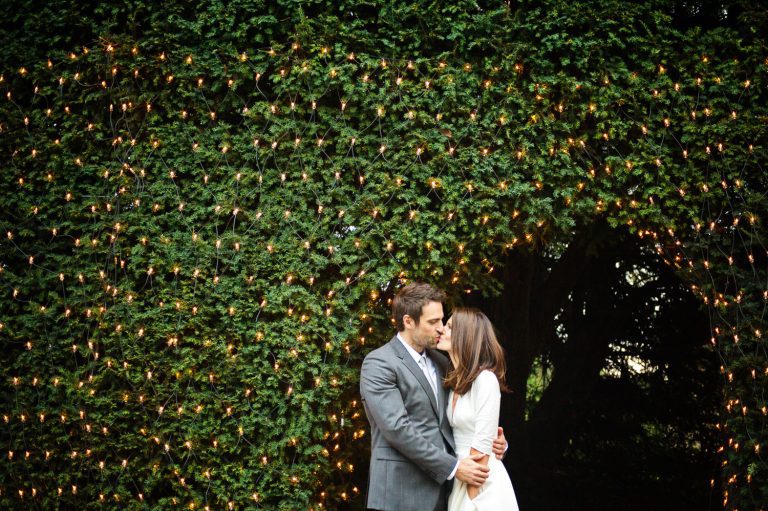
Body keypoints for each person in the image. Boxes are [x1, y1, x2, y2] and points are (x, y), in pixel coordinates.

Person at [359, 283, 507, 511]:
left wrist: (492, 443)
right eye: (432, 322)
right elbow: (398, 429)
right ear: (408, 321)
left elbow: (461, 417)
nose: (440, 328)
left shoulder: (443, 363)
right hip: (400, 492)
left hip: (444, 493)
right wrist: (454, 467)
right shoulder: (379, 363)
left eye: (441, 320)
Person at [436, 307, 519, 511]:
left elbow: (481, 447)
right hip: (460, 477)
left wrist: (473, 501)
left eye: (449, 326)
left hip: (481, 485)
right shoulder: (454, 382)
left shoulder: (485, 380)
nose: (442, 330)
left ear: (465, 336)